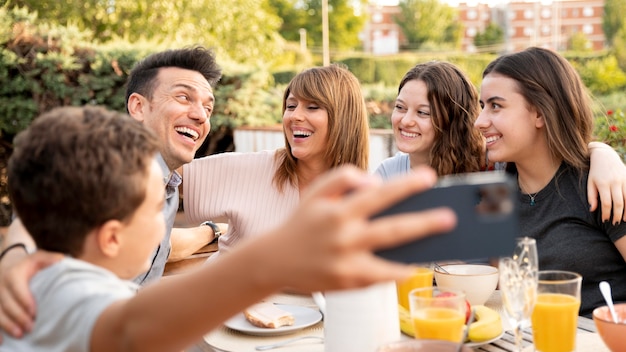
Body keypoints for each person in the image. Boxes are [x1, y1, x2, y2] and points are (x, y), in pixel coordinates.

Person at [0, 105, 457, 352]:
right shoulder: (59, 294)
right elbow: (134, 332)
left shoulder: (65, 276)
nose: (167, 216)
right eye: (157, 207)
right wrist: (277, 258)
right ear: (112, 237)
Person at [0, 46, 227, 289]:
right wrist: (15, 255)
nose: (201, 116)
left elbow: (159, 243)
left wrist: (213, 231)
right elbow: (38, 211)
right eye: (183, 97)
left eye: (208, 108)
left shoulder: (167, 182)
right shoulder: (103, 164)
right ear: (138, 107)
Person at [473, 47, 626, 317]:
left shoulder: (599, 184)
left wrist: (601, 151)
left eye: (496, 106)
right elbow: (504, 293)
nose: (479, 121)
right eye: (482, 106)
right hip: (530, 345)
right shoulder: (496, 196)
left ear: (540, 114)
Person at [375, 60, 626, 224]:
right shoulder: (387, 175)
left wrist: (603, 153)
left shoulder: (492, 168)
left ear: (452, 120)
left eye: (423, 113)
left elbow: (550, 154)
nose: (405, 120)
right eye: (400, 107)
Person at [182, 64, 369, 259]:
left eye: (313, 107)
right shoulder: (256, 168)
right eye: (291, 106)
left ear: (345, 118)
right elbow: (164, 175)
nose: (295, 116)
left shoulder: (362, 197)